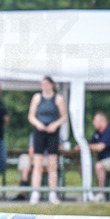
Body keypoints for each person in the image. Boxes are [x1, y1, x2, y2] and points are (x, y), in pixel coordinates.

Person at [27, 76, 68, 204]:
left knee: (52, 164)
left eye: (45, 84)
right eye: (42, 84)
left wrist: (55, 125)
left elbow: (64, 116)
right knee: (37, 163)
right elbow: (31, 116)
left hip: (53, 133)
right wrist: (38, 124)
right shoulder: (37, 97)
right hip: (39, 132)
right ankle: (35, 193)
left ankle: (52, 193)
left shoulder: (58, 98)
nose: (43, 86)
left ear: (51, 84)